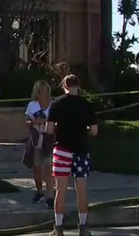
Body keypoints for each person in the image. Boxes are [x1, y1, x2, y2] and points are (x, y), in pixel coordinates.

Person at [45, 74, 98, 236]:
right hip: (81, 150)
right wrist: (83, 132)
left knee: (60, 190)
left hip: (61, 149)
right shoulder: (86, 105)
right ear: (78, 86)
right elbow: (94, 131)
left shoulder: (57, 103)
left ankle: (58, 228)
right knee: (81, 189)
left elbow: (48, 129)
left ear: (64, 85)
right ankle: (83, 227)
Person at [23, 80, 54, 209]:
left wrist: (48, 124)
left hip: (49, 140)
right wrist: (35, 121)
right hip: (36, 139)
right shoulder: (32, 105)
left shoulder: (53, 105)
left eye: (45, 90)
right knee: (36, 168)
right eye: (40, 90)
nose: (43, 93)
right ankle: (39, 191)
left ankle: (50, 196)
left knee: (48, 168)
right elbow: (26, 121)